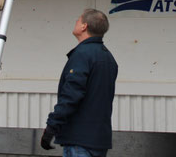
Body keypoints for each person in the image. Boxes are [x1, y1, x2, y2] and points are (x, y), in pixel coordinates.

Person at [40, 9, 118, 157]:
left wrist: (51, 127)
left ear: (84, 26)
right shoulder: (108, 57)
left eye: (78, 20)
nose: (75, 22)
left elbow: (71, 95)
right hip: (99, 139)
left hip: (79, 139)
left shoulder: (82, 55)